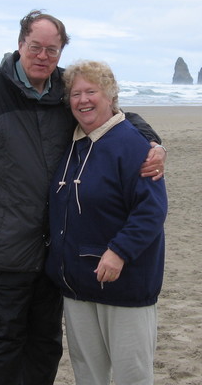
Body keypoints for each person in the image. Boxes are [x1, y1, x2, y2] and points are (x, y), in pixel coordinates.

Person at [0, 10, 166, 385]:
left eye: (52, 49)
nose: (43, 56)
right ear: (19, 45)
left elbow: (111, 112)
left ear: (61, 52)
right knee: (3, 342)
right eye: (36, 47)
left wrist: (151, 140)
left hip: (52, 255)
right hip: (3, 249)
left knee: (46, 346)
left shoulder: (63, 90)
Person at [45, 60, 168, 385]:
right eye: (75, 93)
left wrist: (119, 251)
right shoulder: (70, 144)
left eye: (91, 91)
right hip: (76, 286)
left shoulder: (134, 145)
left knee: (132, 376)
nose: (82, 100)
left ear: (110, 96)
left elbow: (151, 210)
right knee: (88, 375)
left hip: (124, 285)